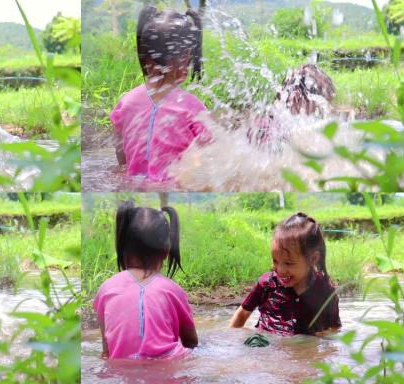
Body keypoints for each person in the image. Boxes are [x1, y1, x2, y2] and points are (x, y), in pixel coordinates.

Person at [111, 6, 212, 181]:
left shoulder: (125, 103)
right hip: (174, 186)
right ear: (186, 56)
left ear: (145, 54)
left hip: (132, 183)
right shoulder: (193, 108)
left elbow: (121, 157)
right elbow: (209, 160)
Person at [93, 201, 198, 359]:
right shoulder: (173, 290)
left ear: (122, 246)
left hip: (122, 372)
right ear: (166, 251)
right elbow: (191, 342)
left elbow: (106, 351)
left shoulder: (105, 289)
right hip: (171, 369)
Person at [229, 212, 341, 336]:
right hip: (266, 343)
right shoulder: (266, 284)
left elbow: (333, 329)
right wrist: (231, 342)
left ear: (313, 259)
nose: (280, 270)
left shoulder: (325, 291)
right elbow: (242, 313)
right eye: (275, 261)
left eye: (288, 263)